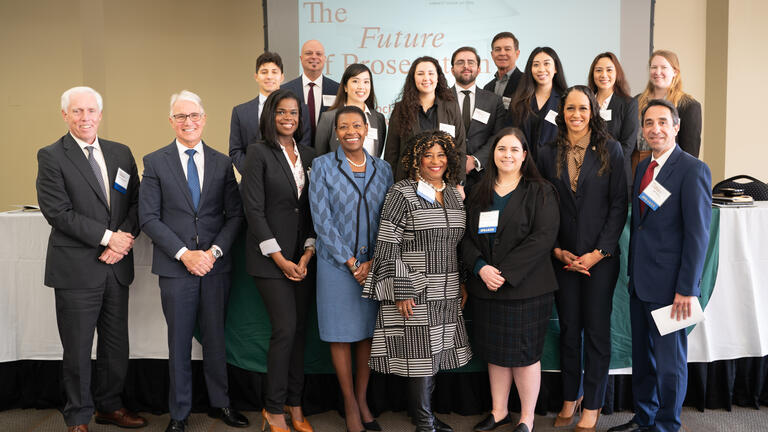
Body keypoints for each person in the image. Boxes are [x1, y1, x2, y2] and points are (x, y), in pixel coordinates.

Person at [36, 86, 146, 432]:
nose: (85, 118)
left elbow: (136, 204)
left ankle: (109, 407)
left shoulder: (120, 152)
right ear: (65, 115)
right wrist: (107, 238)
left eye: (91, 111)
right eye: (77, 111)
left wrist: (123, 240)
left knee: (115, 345)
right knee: (78, 350)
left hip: (116, 267)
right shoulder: (52, 156)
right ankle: (78, 417)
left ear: (101, 114)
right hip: (76, 270)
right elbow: (58, 212)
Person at [138, 90, 247, 432]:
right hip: (176, 267)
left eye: (194, 115)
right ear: (172, 121)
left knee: (215, 338)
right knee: (179, 341)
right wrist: (185, 255)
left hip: (215, 266)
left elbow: (235, 216)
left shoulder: (220, 161)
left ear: (204, 119)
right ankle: (180, 413)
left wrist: (213, 253)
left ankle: (221, 404)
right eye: (181, 116)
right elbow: (148, 218)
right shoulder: (155, 162)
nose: (189, 122)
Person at [608, 99, 711, 432]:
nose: (655, 129)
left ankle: (666, 424)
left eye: (663, 122)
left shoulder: (693, 169)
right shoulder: (642, 168)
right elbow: (641, 226)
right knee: (643, 361)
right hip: (640, 283)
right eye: (649, 123)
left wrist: (687, 289)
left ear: (676, 127)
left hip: (672, 289)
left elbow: (697, 236)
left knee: (670, 364)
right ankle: (644, 417)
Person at [363, 131, 472, 432]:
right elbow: (387, 243)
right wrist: (400, 288)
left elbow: (458, 245)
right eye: (428, 155)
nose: (435, 161)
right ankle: (425, 423)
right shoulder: (402, 192)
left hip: (447, 287)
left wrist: (462, 282)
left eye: (441, 155)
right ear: (416, 160)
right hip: (416, 285)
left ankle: (426, 415)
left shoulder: (453, 193)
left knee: (435, 352)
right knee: (420, 355)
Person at [537, 86, 628, 432]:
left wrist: (597, 253)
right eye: (570, 108)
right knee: (569, 331)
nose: (576, 114)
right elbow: (546, 206)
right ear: (563, 113)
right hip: (563, 257)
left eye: (583, 108)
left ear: (593, 111)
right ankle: (569, 396)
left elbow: (619, 204)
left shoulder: (612, 150)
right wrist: (558, 249)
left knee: (597, 333)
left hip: (600, 260)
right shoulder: (548, 153)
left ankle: (593, 403)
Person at [462, 127, 560, 432]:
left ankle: (526, 418)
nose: (507, 155)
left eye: (514, 150)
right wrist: (480, 267)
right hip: (486, 286)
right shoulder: (479, 190)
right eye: (501, 149)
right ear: (493, 153)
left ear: (525, 155)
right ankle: (499, 411)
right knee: (495, 353)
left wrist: (503, 273)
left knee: (525, 355)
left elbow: (542, 239)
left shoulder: (540, 190)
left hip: (526, 288)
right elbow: (464, 237)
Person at [309, 106, 394, 432]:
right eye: (343, 127)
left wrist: (372, 261)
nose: (350, 132)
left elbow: (388, 218)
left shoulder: (383, 168)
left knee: (367, 336)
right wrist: (350, 261)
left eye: (356, 125)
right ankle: (348, 402)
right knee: (341, 336)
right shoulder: (322, 166)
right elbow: (322, 220)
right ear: (336, 132)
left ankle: (361, 399)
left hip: (374, 264)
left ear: (367, 129)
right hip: (336, 265)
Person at [240, 89, 316, 432]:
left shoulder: (311, 155)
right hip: (270, 261)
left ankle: (294, 403)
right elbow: (253, 210)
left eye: (294, 113)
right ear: (270, 116)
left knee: (299, 332)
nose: (288, 117)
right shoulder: (258, 153)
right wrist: (281, 259)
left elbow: (313, 210)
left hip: (303, 258)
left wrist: (307, 252)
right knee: (284, 330)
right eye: (282, 112)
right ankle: (272, 409)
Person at [384, 56, 467, 187]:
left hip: (445, 182)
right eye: (420, 74)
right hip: (408, 183)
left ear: (438, 77)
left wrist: (460, 183)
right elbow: (391, 153)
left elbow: (460, 148)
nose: (426, 78)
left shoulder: (451, 107)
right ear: (413, 78)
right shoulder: (401, 109)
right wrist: (392, 185)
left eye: (431, 73)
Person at [229, 51, 297, 174]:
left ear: (282, 77)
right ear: (256, 76)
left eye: (274, 72)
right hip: (252, 182)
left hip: (288, 182)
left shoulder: (299, 110)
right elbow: (235, 150)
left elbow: (302, 145)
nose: (269, 77)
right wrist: (252, 173)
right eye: (264, 72)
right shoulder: (240, 112)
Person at [450, 46, 506, 191]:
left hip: (483, 177)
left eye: (471, 62)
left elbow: (498, 136)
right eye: (460, 62)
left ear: (479, 69)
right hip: (447, 175)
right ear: (452, 69)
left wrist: (475, 160)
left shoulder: (493, 101)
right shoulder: (441, 99)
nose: (466, 66)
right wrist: (457, 163)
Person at [636, 50, 702, 158]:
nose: (657, 72)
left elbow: (690, 153)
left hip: (671, 168)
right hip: (637, 166)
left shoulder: (689, 106)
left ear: (675, 72)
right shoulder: (636, 101)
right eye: (654, 67)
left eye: (663, 67)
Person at [588, 52, 639, 192]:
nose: (604, 75)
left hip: (616, 177)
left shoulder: (629, 104)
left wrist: (598, 165)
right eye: (598, 70)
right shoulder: (585, 102)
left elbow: (627, 147)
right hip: (586, 178)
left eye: (609, 70)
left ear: (617, 73)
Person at [507, 47, 567, 164]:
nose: (541, 69)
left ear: (555, 68)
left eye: (546, 64)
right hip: (523, 166)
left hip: (555, 167)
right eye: (536, 65)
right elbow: (510, 134)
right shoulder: (518, 100)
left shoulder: (566, 100)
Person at [315, 63, 387, 157]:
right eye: (355, 81)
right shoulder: (329, 118)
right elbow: (319, 157)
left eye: (366, 82)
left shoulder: (378, 118)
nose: (361, 87)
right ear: (345, 87)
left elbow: (377, 156)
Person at [282, 40, 341, 146]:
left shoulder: (338, 90)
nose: (314, 57)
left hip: (328, 156)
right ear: (301, 58)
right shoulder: (285, 90)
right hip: (295, 153)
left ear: (324, 59)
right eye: (309, 53)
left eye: (318, 54)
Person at [482, 32, 523, 109]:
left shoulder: (527, 82)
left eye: (507, 49)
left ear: (517, 54)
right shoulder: (487, 88)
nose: (502, 53)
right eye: (498, 49)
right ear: (492, 55)